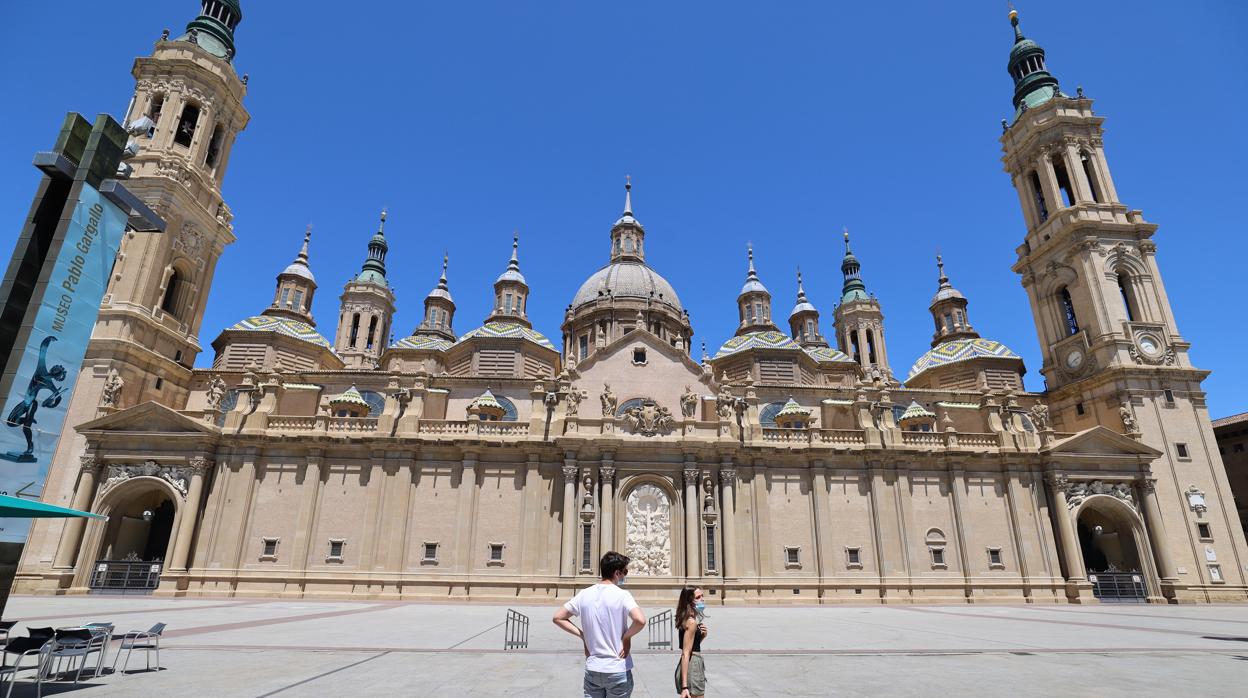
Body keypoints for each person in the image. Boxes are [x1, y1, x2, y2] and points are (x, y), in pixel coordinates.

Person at [554, 551, 647, 698]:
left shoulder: (584, 593)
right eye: (625, 572)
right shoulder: (623, 595)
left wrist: (584, 636)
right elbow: (640, 620)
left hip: (593, 669)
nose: (625, 576)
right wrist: (626, 638)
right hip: (617, 668)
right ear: (617, 573)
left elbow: (558, 617)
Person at [673, 586, 708, 697]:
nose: (702, 599)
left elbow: (689, 646)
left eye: (702, 596)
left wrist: (702, 636)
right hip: (693, 668)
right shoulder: (691, 622)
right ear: (689, 601)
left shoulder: (688, 620)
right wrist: (684, 687)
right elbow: (685, 653)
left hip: (693, 665)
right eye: (698, 597)